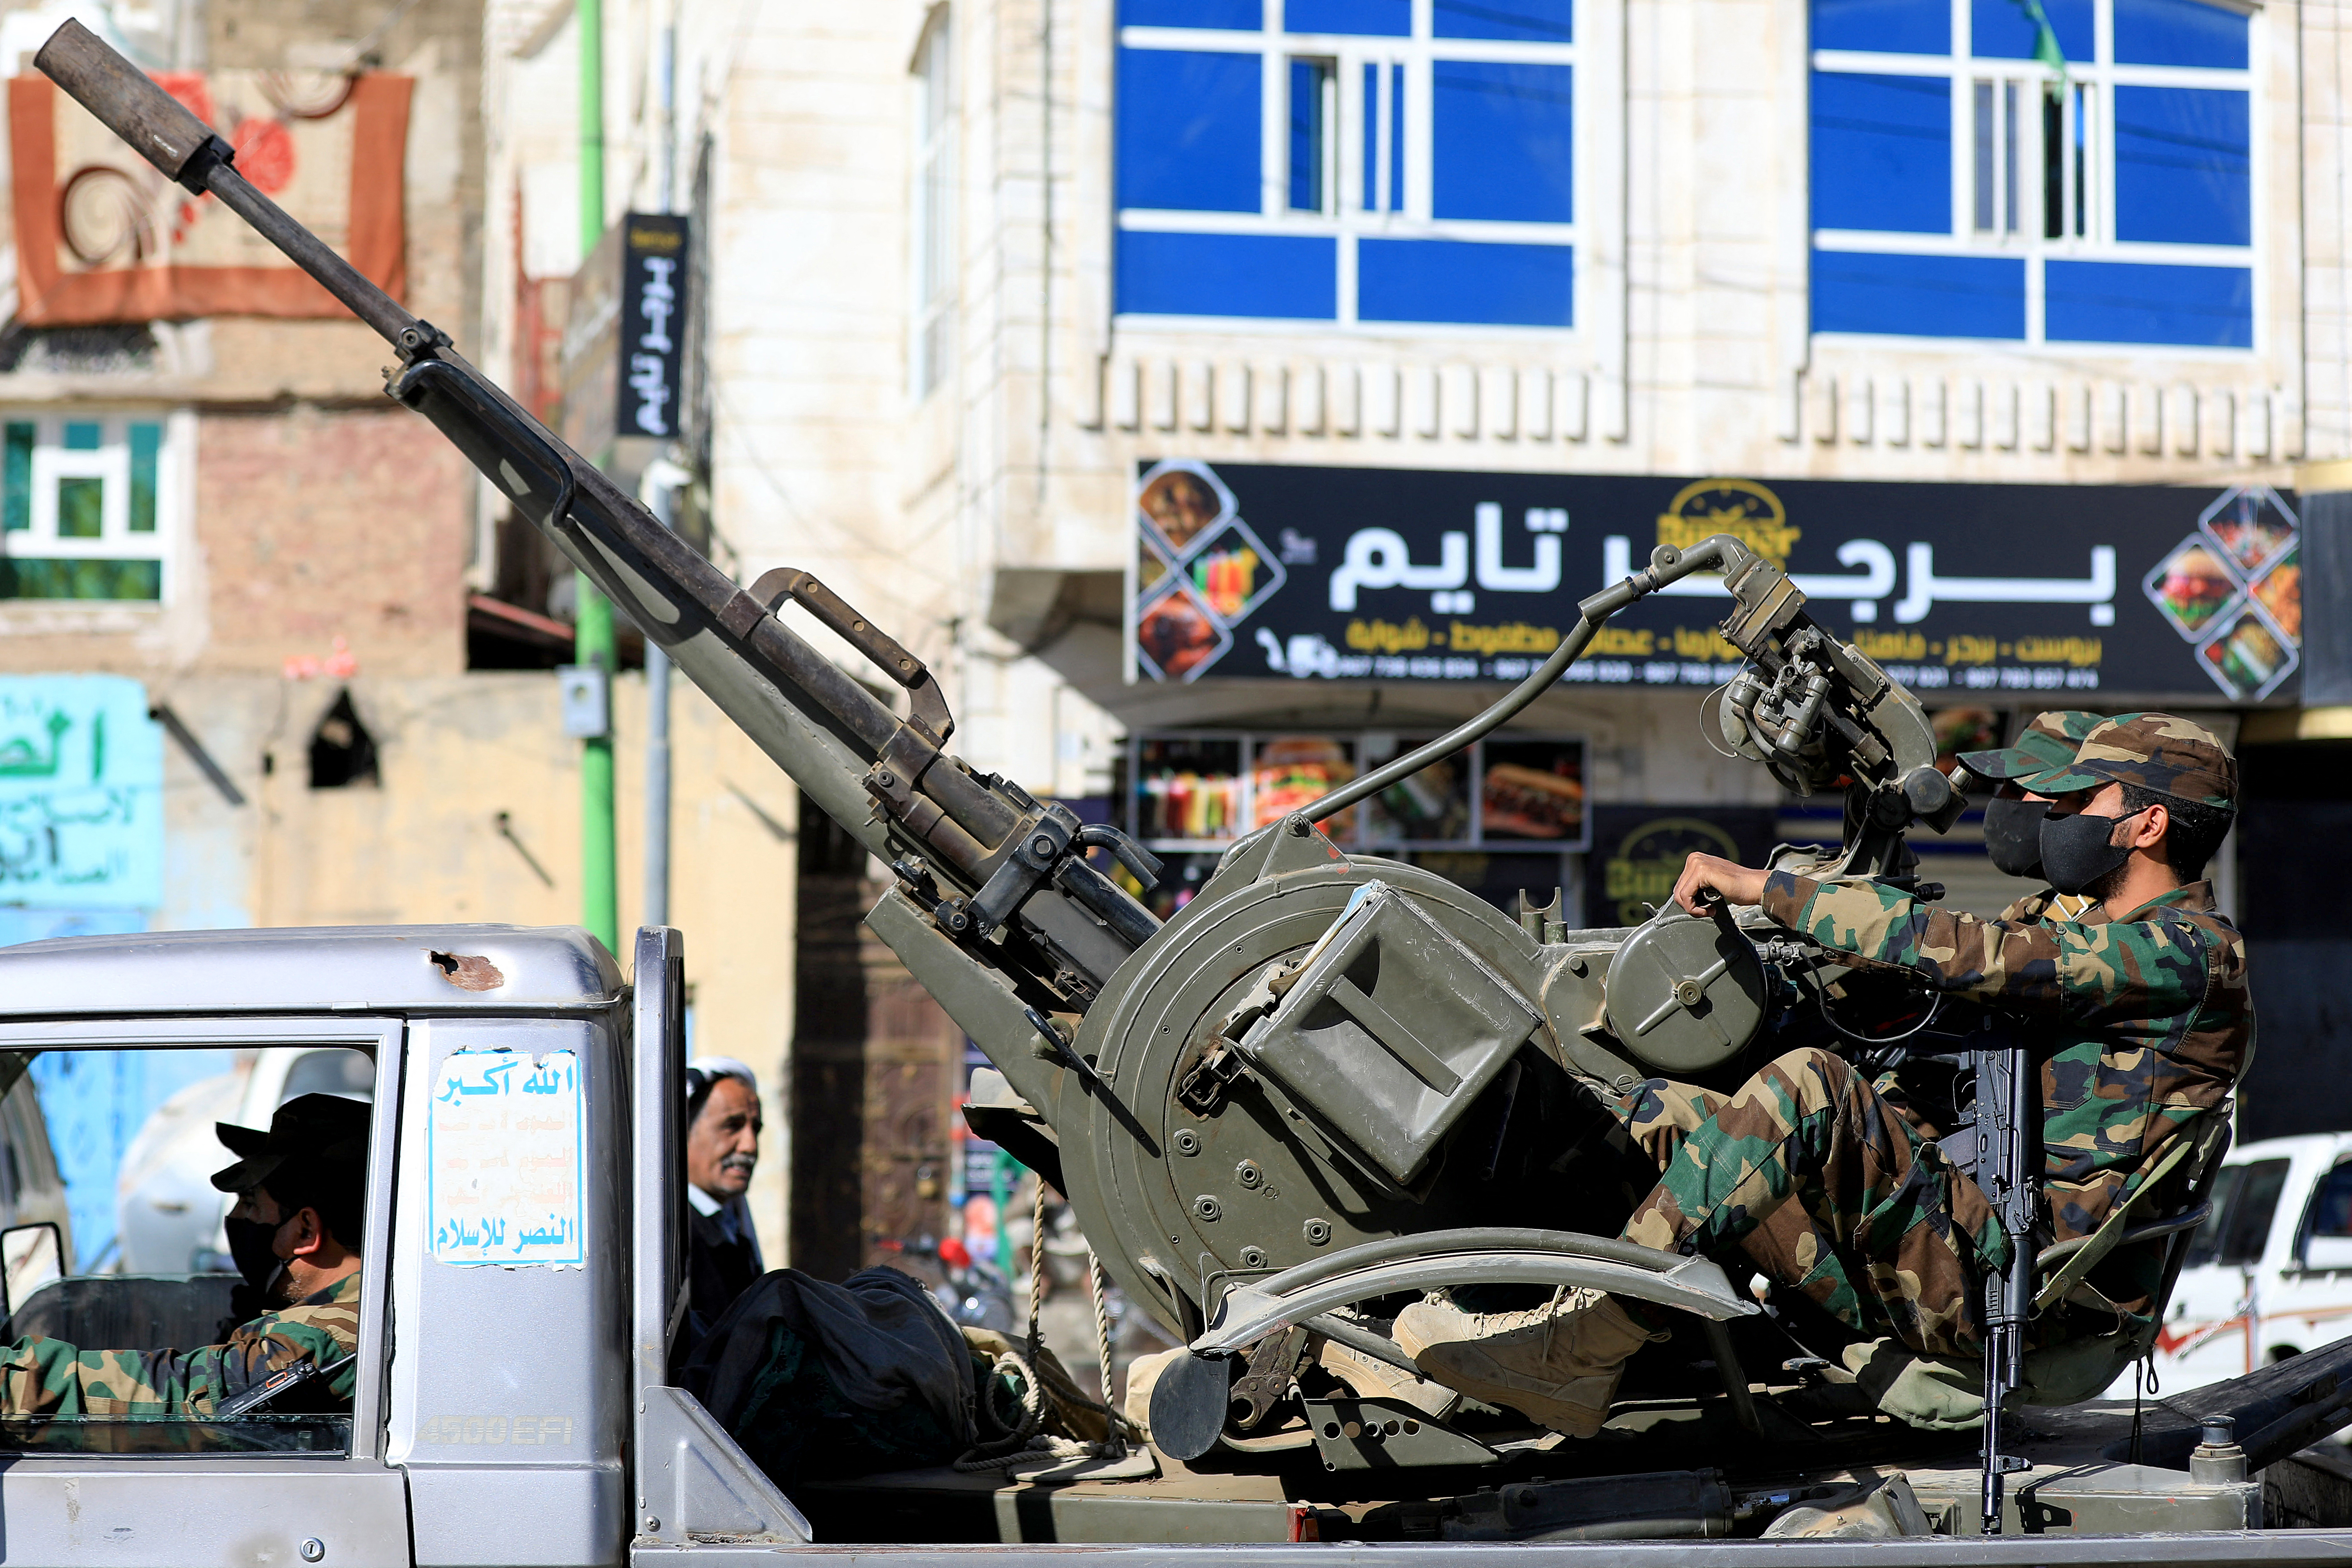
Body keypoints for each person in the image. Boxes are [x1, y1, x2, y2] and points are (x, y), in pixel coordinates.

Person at [1396, 714, 2251, 1439]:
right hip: (1972, 1244)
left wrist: (1763, 889)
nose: (2055, 814)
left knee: (1809, 1087)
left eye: (2079, 800)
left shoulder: (2188, 955)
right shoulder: (2095, 929)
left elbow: (1969, 951)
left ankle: (1579, 1350)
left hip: (2021, 1289)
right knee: (1647, 1106)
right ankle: (1522, 1331)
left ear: (2145, 826)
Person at [0, 1092, 367, 1417]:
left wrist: (11, 1383)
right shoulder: (348, 1311)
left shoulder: (328, 1337)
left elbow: (181, 1395)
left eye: (253, 1204)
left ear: (305, 1230)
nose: (238, 1218)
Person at [684, 1056, 765, 1329]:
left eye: (755, 1129)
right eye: (732, 1126)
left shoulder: (730, 1226)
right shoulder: (671, 1237)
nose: (749, 1146)